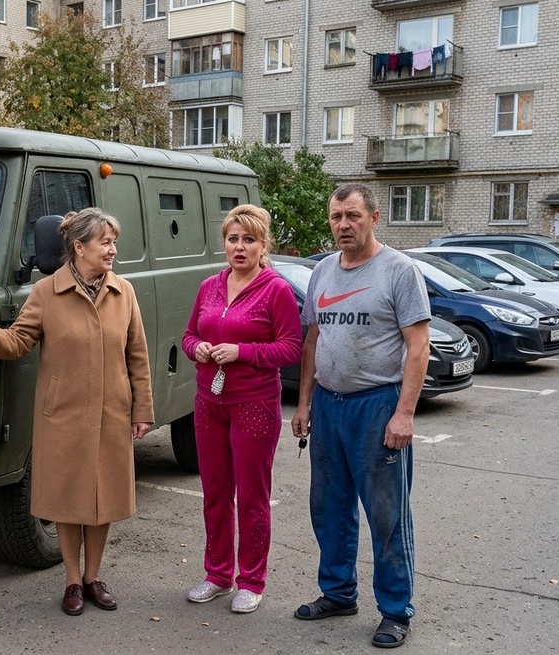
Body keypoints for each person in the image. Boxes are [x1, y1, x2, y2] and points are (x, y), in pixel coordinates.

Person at [0, 207, 154, 616]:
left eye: (114, 242)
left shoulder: (123, 292)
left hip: (111, 412)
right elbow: (18, 342)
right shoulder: (46, 293)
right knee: (68, 500)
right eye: (105, 242)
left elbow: (137, 357)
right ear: (79, 247)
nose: (112, 250)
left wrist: (141, 409)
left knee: (104, 499)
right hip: (64, 414)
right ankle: (72, 581)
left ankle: (94, 578)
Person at [290, 183, 429, 649]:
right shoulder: (323, 271)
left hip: (377, 406)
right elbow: (312, 341)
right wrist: (305, 403)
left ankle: (395, 610)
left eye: (352, 215)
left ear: (374, 217)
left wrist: (404, 413)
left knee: (387, 516)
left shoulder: (400, 271)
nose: (344, 225)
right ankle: (338, 593)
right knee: (329, 508)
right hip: (330, 406)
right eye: (336, 217)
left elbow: (418, 347)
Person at [180, 204, 303, 613]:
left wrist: (242, 351)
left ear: (263, 245)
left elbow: (291, 348)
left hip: (254, 404)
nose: (239, 247)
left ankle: (251, 580)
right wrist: (198, 348)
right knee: (215, 493)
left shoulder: (276, 289)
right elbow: (188, 335)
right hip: (208, 403)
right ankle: (217, 574)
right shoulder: (209, 286)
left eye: (248, 239)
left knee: (252, 496)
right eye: (233, 239)